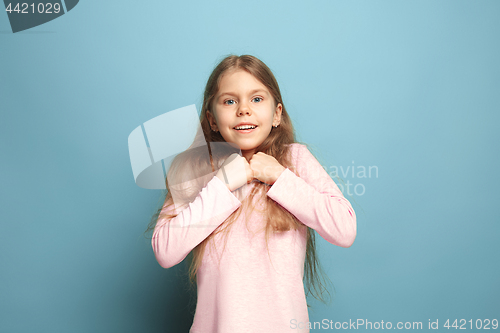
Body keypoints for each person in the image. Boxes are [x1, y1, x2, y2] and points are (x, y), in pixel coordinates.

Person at [146, 54, 357, 333]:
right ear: (211, 119)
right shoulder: (195, 170)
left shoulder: (295, 160)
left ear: (277, 114)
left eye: (256, 99)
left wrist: (279, 177)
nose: (243, 109)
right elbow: (165, 250)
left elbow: (344, 229)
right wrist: (221, 185)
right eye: (229, 101)